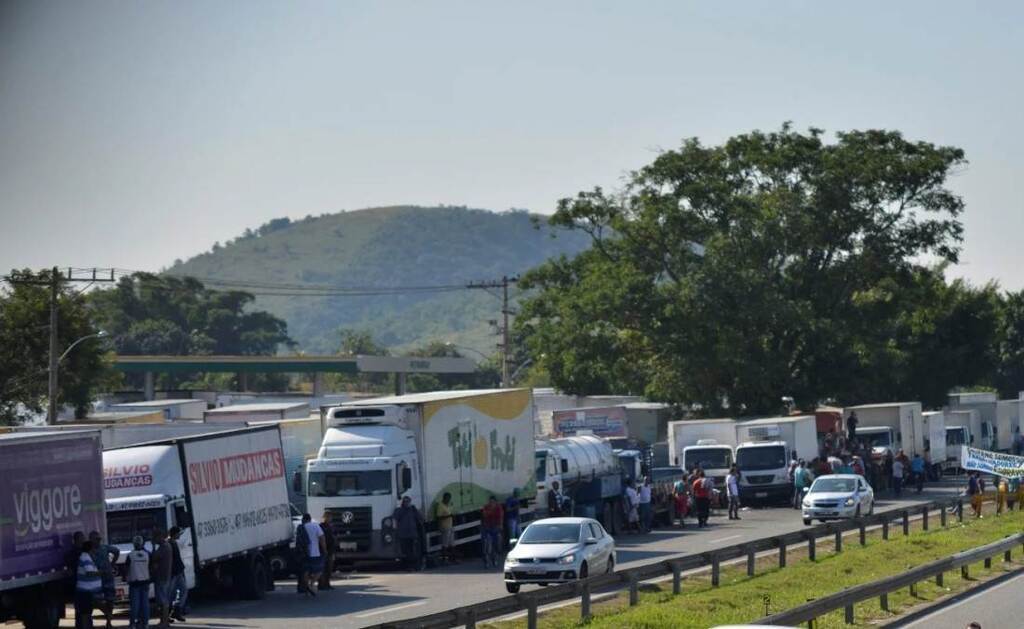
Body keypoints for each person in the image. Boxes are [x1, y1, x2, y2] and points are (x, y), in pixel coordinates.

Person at [88, 531, 119, 629]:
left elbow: (116, 551)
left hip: (108, 578)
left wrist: (113, 563)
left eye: (99, 539)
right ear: (91, 540)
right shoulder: (89, 551)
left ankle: (109, 622)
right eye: (96, 539)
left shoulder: (104, 548)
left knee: (110, 601)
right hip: (96, 580)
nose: (98, 541)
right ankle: (105, 614)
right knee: (95, 600)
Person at [125, 536, 151, 629]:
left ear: (134, 544)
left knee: (135, 604)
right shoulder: (147, 554)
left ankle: (133, 624)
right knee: (145, 604)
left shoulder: (130, 555)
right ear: (142, 543)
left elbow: (126, 569)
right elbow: (151, 567)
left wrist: (127, 578)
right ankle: (146, 624)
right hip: (145, 581)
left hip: (134, 582)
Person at [392, 496, 424, 571]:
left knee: (413, 551)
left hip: (412, 534)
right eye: (405, 501)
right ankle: (408, 566)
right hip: (403, 535)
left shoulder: (413, 510)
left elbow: (420, 519)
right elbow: (395, 520)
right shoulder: (399, 510)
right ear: (403, 502)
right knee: (406, 552)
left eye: (408, 501)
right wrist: (395, 530)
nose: (407, 503)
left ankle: (415, 566)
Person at [75, 540, 101, 629]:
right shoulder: (85, 558)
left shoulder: (87, 557)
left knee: (87, 612)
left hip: (87, 591)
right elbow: (89, 572)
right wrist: (102, 573)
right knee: (85, 613)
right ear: (91, 548)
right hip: (85, 591)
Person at [149, 529, 173, 629]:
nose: (154, 540)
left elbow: (154, 557)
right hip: (166, 576)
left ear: (159, 537)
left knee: (163, 601)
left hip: (161, 577)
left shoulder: (163, 547)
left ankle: (164, 622)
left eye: (154, 538)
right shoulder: (167, 546)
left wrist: (153, 546)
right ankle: (164, 621)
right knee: (164, 600)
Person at [300, 513, 326, 592]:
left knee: (306, 570)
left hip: (304, 553)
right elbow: (322, 538)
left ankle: (307, 585)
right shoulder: (315, 526)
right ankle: (312, 583)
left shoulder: (301, 527)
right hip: (315, 552)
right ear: (310, 519)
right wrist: (324, 549)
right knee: (319, 569)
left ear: (303, 519)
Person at [167, 527, 188, 621]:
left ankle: (177, 611)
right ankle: (167, 614)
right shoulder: (169, 544)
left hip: (178, 572)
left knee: (183, 590)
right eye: (179, 533)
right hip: (173, 573)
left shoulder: (174, 543)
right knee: (171, 594)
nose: (179, 535)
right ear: (175, 534)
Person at [480, 495, 504, 568]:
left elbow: (500, 517)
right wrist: (488, 512)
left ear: (495, 502)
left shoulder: (498, 508)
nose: (491, 503)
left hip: (495, 527)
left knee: (496, 543)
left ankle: (495, 557)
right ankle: (486, 561)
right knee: (485, 544)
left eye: (493, 501)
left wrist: (500, 526)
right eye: (490, 501)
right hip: (486, 527)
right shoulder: (486, 507)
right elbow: (484, 515)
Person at [435, 492, 456, 562]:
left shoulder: (447, 505)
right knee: (445, 544)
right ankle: (444, 559)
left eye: (449, 498)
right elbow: (438, 517)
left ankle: (452, 558)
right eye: (447, 498)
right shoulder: (440, 506)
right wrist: (449, 516)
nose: (448, 499)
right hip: (444, 527)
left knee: (452, 543)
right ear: (444, 498)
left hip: (450, 526)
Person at [318, 512, 336, 591]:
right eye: (327, 517)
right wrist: (324, 550)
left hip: (331, 550)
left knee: (329, 569)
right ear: (324, 517)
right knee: (322, 568)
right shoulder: (321, 526)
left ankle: (327, 584)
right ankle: (321, 585)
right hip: (323, 550)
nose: (329, 518)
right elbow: (321, 539)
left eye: (330, 517)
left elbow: (333, 537)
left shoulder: (331, 526)